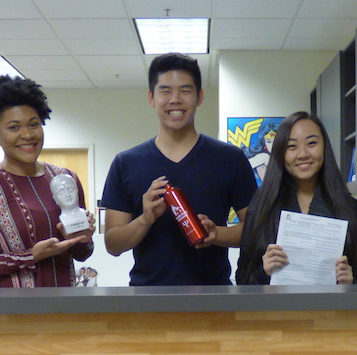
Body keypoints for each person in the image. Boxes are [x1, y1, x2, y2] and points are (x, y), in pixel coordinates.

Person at [101, 53, 257, 285]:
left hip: (214, 300)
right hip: (147, 300)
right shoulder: (125, 163)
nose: (175, 99)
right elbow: (112, 244)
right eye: (165, 91)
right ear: (151, 98)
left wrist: (217, 234)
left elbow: (256, 229)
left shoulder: (229, 158)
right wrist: (144, 220)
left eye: (185, 90)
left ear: (199, 97)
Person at [0, 75, 95, 287]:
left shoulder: (65, 179)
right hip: (11, 312)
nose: (27, 134)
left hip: (65, 307)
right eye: (14, 127)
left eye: (33, 124)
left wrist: (83, 236)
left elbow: (83, 254)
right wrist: (29, 257)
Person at [236, 111, 357, 285]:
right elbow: (242, 279)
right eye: (292, 147)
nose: (303, 154)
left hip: (329, 310)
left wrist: (350, 282)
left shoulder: (350, 208)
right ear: (280, 153)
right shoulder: (261, 207)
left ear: (325, 148)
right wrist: (264, 272)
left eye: (311, 143)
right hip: (275, 311)